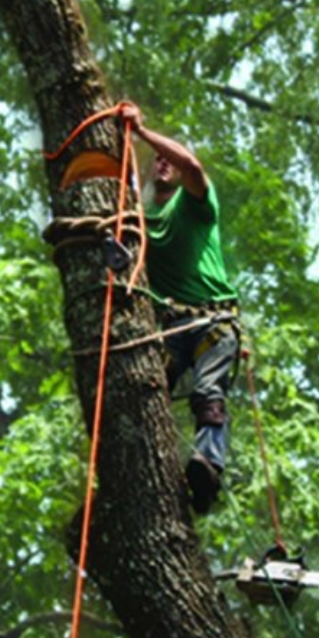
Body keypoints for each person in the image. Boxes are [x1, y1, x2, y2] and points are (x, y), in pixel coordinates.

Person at [120, 102, 240, 514]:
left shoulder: (197, 204)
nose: (163, 163)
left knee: (208, 392)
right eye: (158, 161)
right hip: (171, 328)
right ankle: (140, 478)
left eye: (168, 158)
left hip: (212, 321)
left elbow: (190, 164)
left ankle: (208, 466)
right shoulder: (143, 221)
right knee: (142, 389)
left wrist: (142, 131)